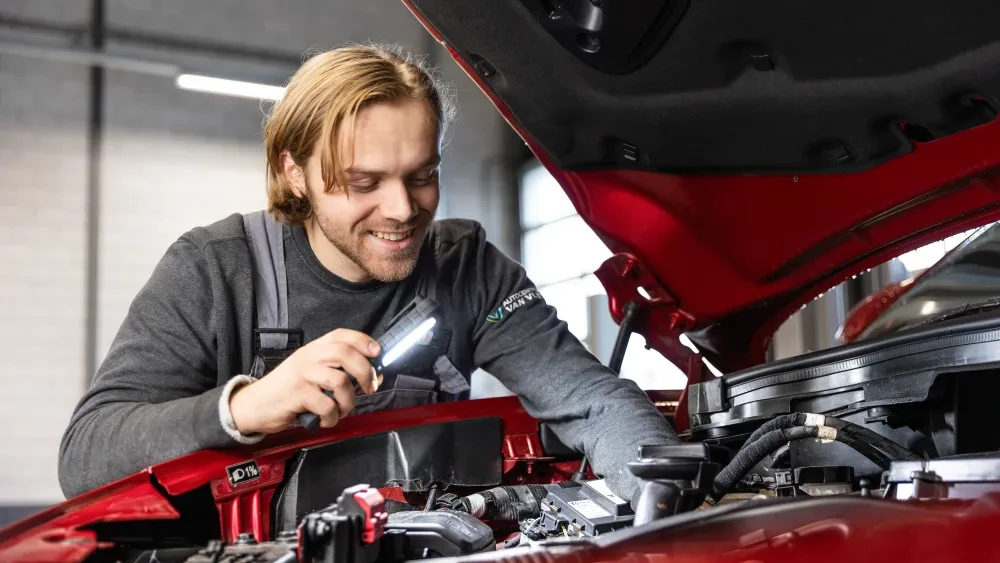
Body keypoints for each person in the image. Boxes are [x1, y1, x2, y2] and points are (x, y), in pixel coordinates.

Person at [58, 44, 679, 503]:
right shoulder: (213, 271)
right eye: (364, 183)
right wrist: (245, 407)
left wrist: (664, 502)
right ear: (294, 172)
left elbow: (593, 401)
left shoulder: (468, 273)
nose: (404, 210)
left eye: (422, 175)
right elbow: (87, 455)